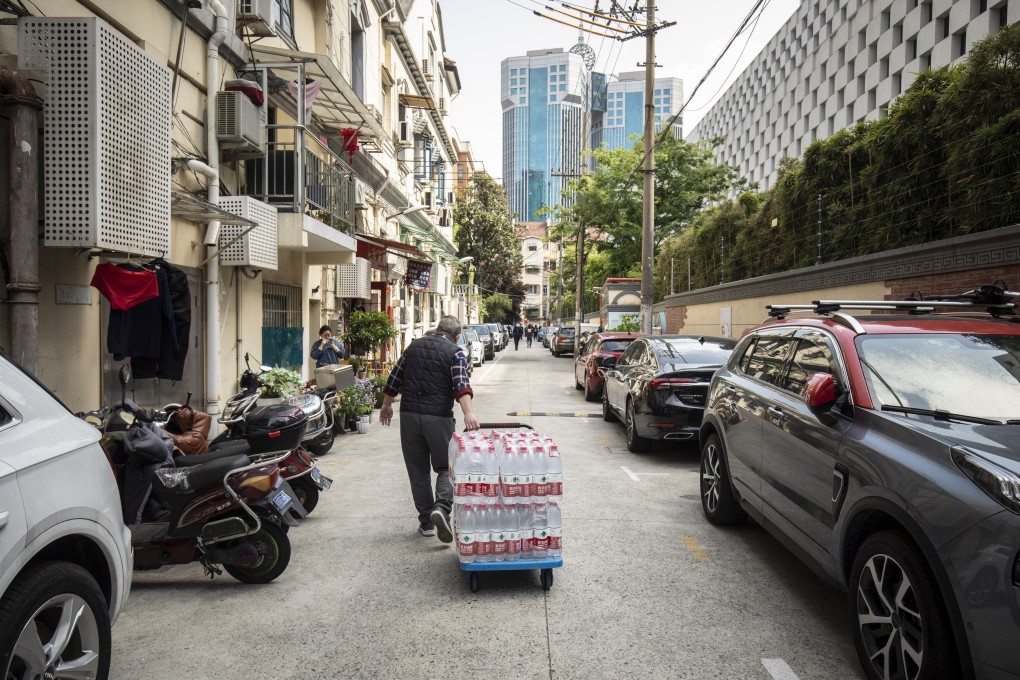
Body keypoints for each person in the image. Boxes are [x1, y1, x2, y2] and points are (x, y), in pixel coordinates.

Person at [380, 315, 479, 542]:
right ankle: (441, 508)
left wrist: (386, 405)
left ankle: (426, 522)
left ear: (437, 329)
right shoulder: (455, 352)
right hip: (438, 417)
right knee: (446, 467)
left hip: (409, 416)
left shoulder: (413, 347)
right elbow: (461, 386)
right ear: (456, 336)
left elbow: (395, 377)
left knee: (418, 471)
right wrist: (469, 413)